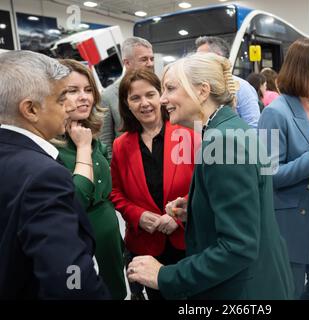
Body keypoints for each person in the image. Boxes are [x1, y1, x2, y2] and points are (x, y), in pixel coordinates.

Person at [127, 52, 295, 300]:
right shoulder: (230, 129)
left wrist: (165, 276)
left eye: (170, 88)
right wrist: (197, 208)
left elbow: (238, 246)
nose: (163, 99)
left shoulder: (224, 141)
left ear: (203, 91)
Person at [0, 51, 109, 299]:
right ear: (30, 109)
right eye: (61, 99)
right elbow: (68, 278)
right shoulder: (43, 175)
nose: (69, 106)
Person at [258, 39, 309, 300]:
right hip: (289, 221)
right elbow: (268, 175)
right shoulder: (275, 114)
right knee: (289, 291)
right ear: (303, 69)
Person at [110, 68, 196, 300]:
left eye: (150, 94)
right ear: (126, 104)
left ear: (161, 96)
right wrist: (137, 215)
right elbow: (115, 192)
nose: (144, 103)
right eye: (135, 98)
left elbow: (206, 186)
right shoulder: (121, 146)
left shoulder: (189, 135)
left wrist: (178, 216)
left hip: (186, 241)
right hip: (146, 244)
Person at [54, 59, 127, 299]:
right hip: (78, 242)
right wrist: (83, 148)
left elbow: (109, 188)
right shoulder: (49, 147)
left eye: (88, 90)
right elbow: (75, 200)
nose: (84, 97)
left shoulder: (92, 138)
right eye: (72, 91)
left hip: (109, 240)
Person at [100, 37, 155, 157]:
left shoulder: (159, 88)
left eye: (152, 59)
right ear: (127, 63)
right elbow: (105, 143)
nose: (150, 64)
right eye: (144, 59)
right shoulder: (108, 96)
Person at [195, 36, 261, 128]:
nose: (195, 63)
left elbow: (253, 125)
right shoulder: (197, 87)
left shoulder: (241, 87)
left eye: (201, 58)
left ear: (218, 57)